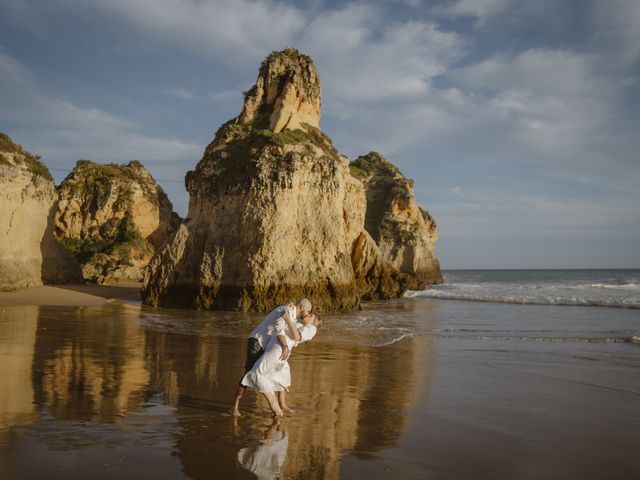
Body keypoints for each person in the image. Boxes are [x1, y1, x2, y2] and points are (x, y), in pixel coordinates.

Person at [231, 299, 313, 417]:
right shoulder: (287, 310)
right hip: (258, 341)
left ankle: (281, 405)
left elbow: (295, 333)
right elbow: (279, 329)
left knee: (276, 371)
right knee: (249, 373)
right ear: (302, 307)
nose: (307, 314)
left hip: (266, 345)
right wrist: (285, 347)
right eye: (308, 311)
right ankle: (235, 407)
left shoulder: (292, 316)